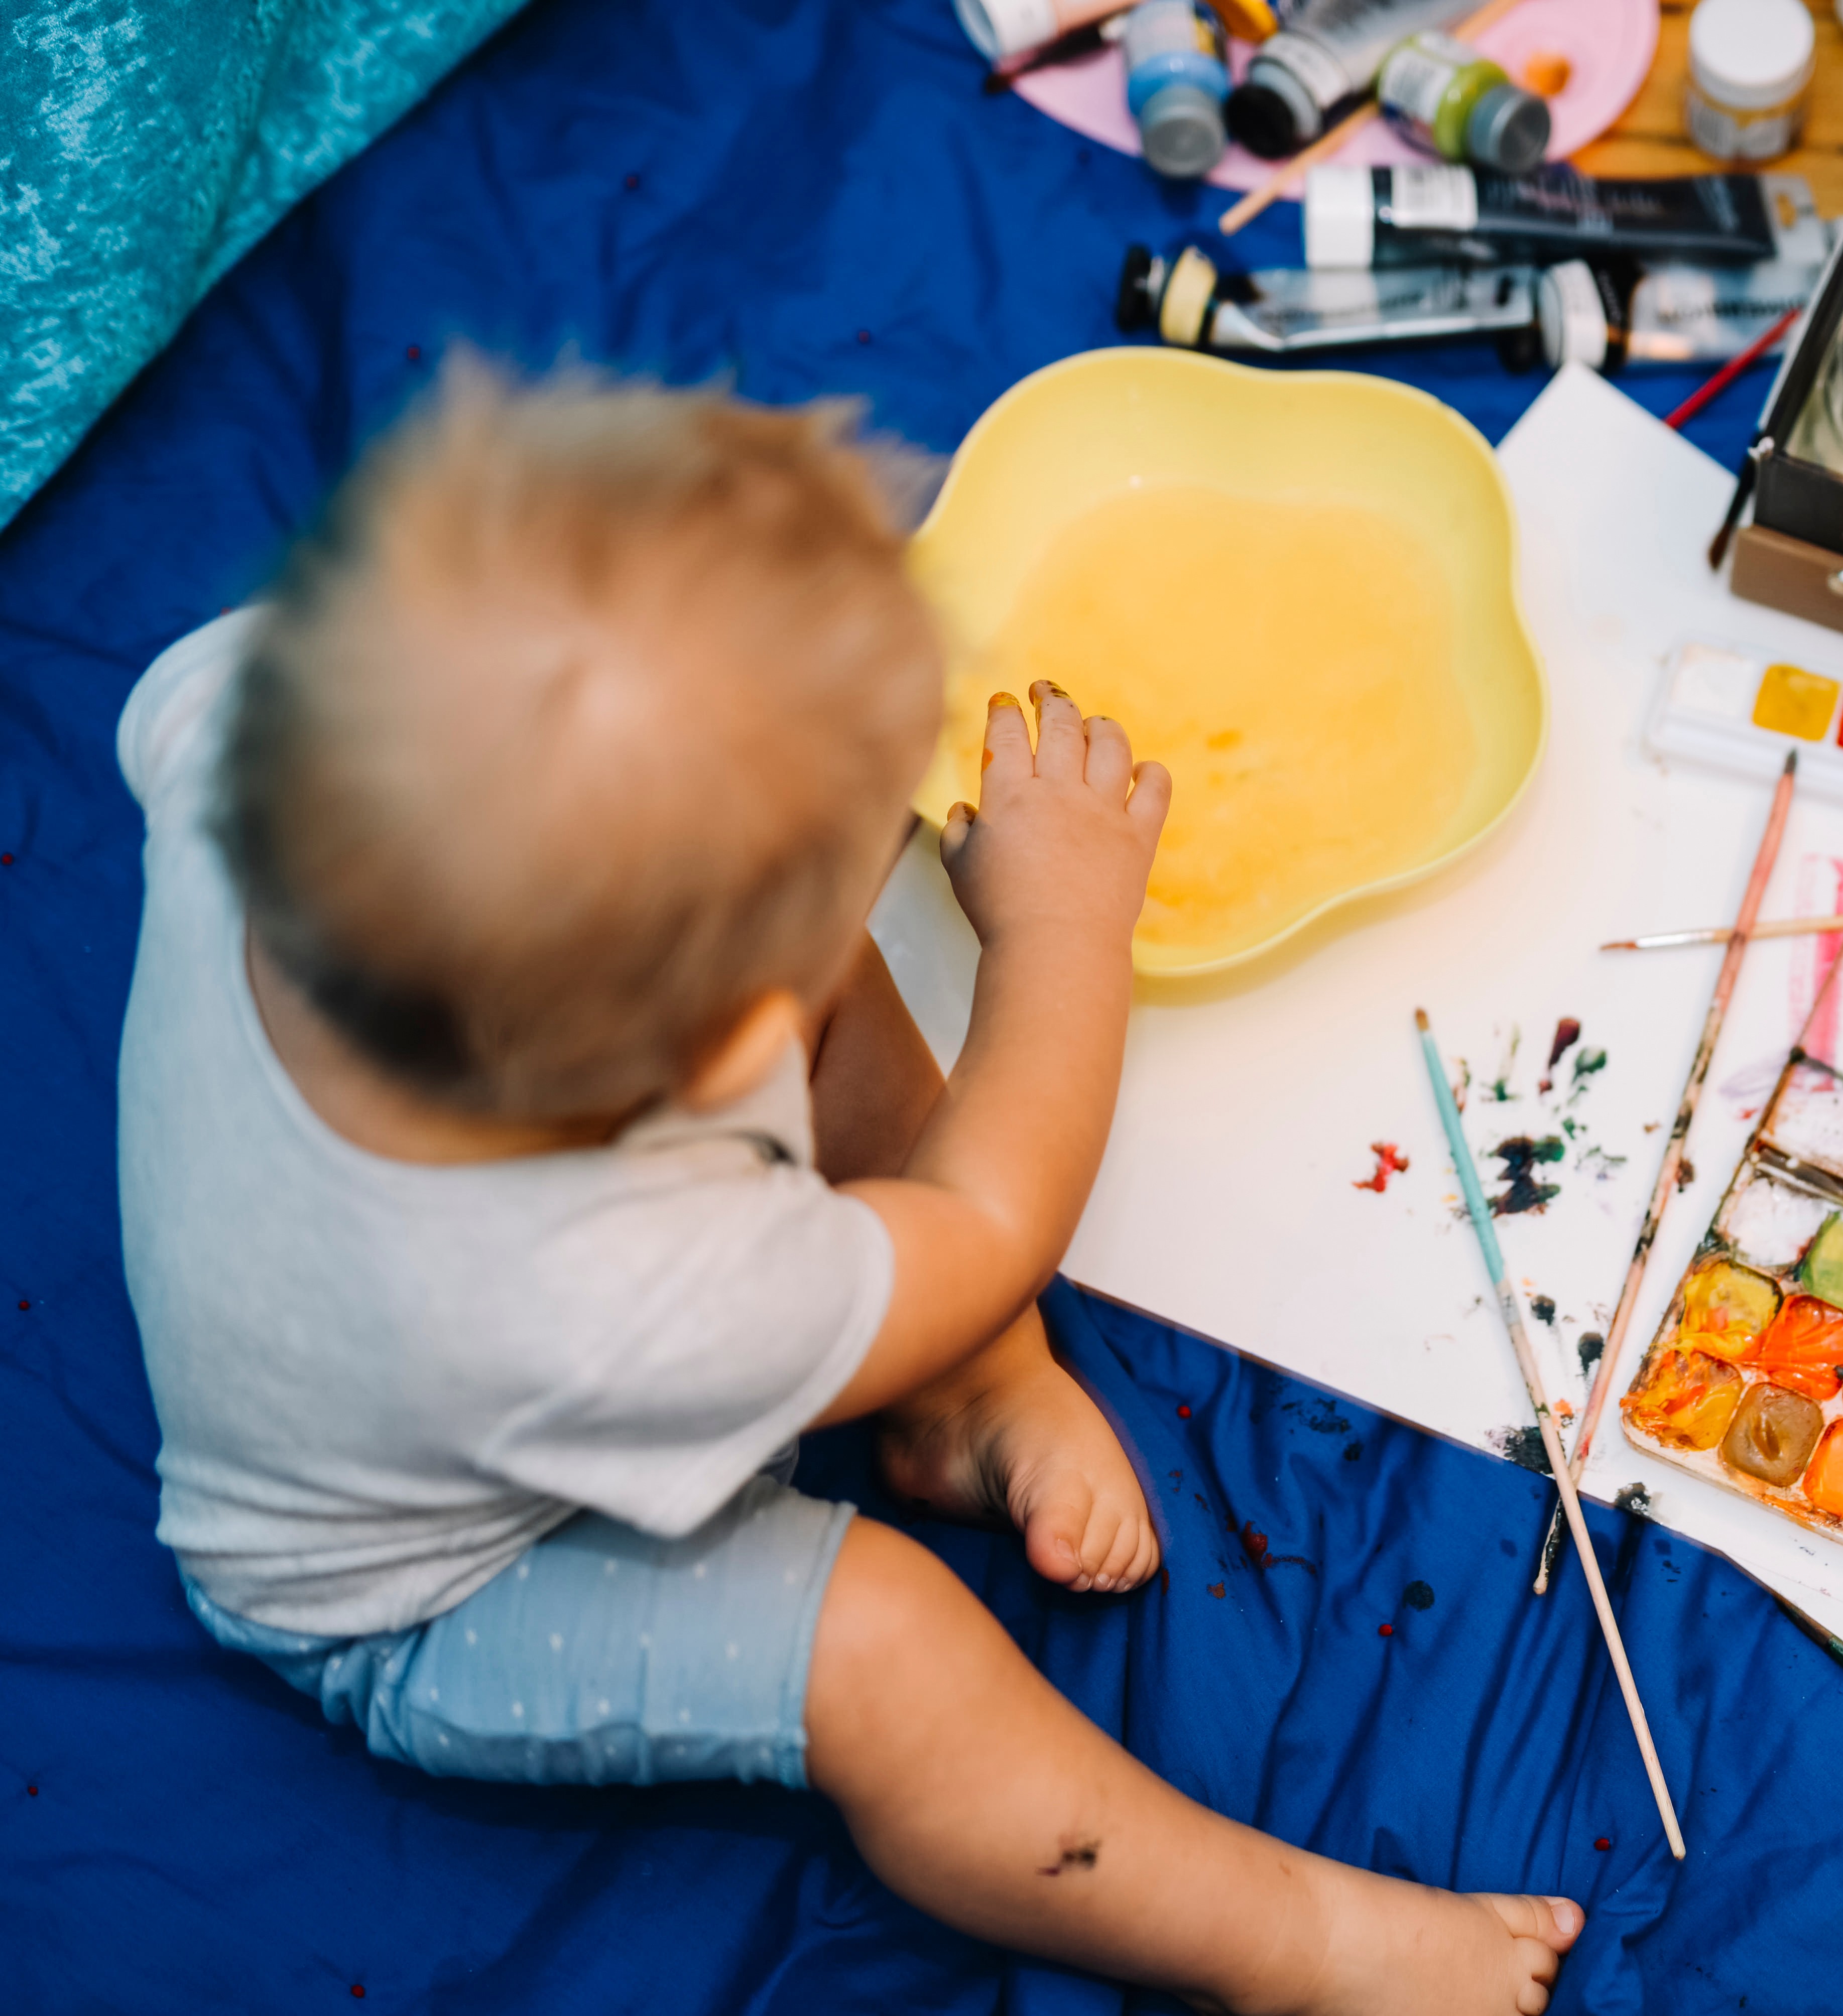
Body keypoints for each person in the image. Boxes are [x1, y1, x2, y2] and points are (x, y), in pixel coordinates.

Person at [113, 360, 1580, 2014]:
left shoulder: (271, 705)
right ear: (693, 1053)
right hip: (416, 1591)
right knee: (888, 1653)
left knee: (843, 996)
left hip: (422, 1301)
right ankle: (1296, 1947)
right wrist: (1061, 937)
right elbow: (986, 1221)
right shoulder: (625, 1282)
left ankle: (962, 1400)